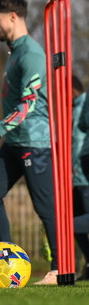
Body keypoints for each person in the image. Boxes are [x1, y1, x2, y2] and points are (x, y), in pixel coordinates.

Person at [0, 0, 57, 285]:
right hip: (14, 142)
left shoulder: (32, 54)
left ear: (13, 16)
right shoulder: (15, 53)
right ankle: (6, 261)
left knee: (45, 207)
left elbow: (29, 101)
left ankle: (59, 269)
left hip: (35, 142)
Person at [71, 76, 89, 279]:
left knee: (72, 223)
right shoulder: (71, 108)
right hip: (74, 176)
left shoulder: (84, 104)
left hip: (84, 175)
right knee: (74, 226)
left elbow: (79, 142)